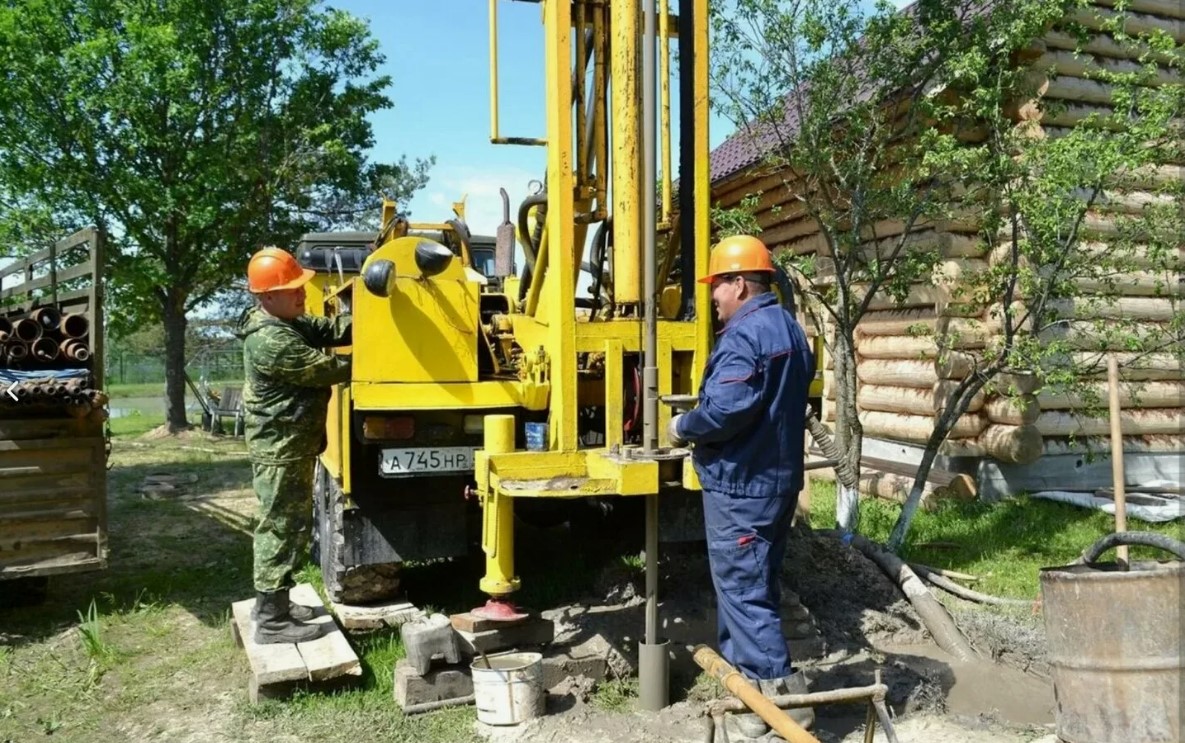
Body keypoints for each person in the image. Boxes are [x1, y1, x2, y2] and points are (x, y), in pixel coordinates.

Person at [668, 235, 815, 734]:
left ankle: (780, 705)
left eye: (717, 287)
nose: (712, 297)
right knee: (754, 588)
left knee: (743, 591)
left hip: (742, 486)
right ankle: (749, 694)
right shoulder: (790, 331)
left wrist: (682, 426)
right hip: (775, 483)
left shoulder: (744, 336)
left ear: (740, 284)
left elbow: (725, 409)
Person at [236, 246, 353, 644]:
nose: (304, 293)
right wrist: (384, 360)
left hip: (291, 442)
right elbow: (329, 369)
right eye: (293, 289)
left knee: (292, 525)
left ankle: (278, 603)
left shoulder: (286, 322)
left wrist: (366, 319)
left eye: (301, 286)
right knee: (281, 527)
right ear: (268, 296)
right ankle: (271, 621)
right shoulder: (272, 340)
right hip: (281, 446)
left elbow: (326, 331)